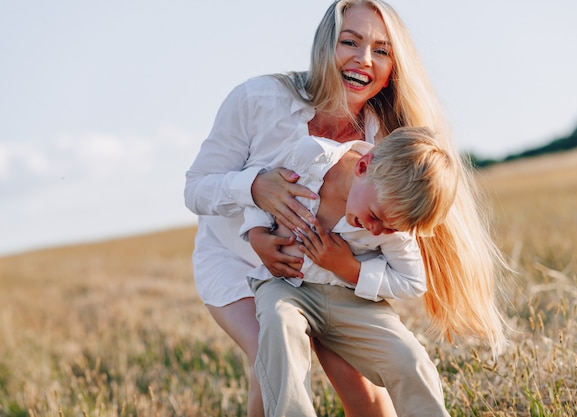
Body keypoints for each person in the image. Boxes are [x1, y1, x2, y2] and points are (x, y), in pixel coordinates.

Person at [185, 0, 508, 415]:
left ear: (395, 66)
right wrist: (256, 189)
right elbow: (195, 189)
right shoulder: (258, 100)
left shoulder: (388, 139)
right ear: (325, 46)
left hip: (332, 275)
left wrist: (349, 269)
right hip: (238, 258)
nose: (363, 59)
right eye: (350, 42)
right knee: (271, 358)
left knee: (360, 385)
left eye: (382, 50)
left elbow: (401, 241)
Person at [241, 127, 457, 416]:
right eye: (374, 217)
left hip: (350, 298)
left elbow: (412, 282)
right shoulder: (310, 157)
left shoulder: (391, 217)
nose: (377, 230)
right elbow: (264, 187)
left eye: (391, 229)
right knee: (280, 326)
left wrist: (350, 269)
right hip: (286, 286)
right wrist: (256, 234)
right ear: (363, 166)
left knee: (410, 358)